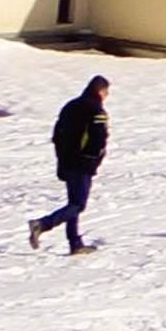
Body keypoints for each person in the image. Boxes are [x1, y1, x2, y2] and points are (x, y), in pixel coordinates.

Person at [27, 75, 110, 254]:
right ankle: (42, 224)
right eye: (105, 91)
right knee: (78, 205)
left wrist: (62, 158)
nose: (106, 95)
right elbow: (99, 138)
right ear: (100, 91)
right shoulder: (96, 110)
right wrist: (94, 159)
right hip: (83, 163)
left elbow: (57, 135)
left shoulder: (70, 106)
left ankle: (75, 243)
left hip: (67, 160)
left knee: (72, 204)